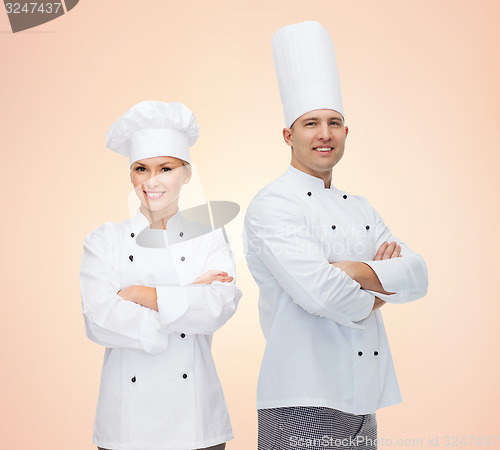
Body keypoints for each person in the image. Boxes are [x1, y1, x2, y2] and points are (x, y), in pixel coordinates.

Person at [243, 21, 429, 450]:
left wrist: (351, 270)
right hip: (300, 399)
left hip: (365, 398)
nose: (324, 134)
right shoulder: (273, 205)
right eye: (311, 124)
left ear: (346, 132)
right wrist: (382, 286)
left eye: (334, 123)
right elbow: (322, 295)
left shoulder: (361, 206)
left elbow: (418, 273)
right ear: (289, 136)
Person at [80, 101, 242, 450]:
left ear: (186, 174)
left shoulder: (209, 234)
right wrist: (186, 295)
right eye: (141, 169)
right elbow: (98, 320)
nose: (152, 181)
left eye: (165, 168)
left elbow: (218, 308)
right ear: (131, 175)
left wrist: (138, 293)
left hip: (197, 422)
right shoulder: (104, 239)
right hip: (126, 425)